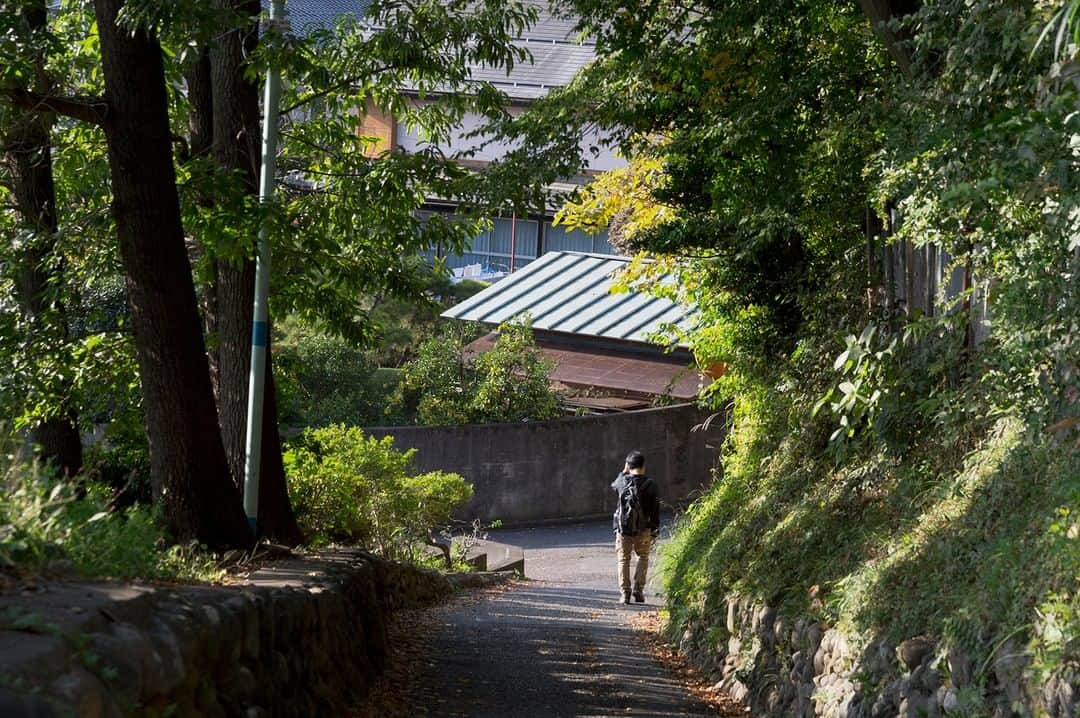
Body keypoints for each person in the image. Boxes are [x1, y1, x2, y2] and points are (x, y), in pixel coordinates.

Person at [611, 450, 660, 604]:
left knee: (623, 559)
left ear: (628, 466)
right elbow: (655, 510)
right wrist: (654, 531)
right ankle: (638, 590)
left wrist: (623, 471)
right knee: (643, 557)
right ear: (643, 466)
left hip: (623, 529)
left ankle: (625, 593)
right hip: (643, 529)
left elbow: (613, 485)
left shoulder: (622, 481)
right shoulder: (651, 485)